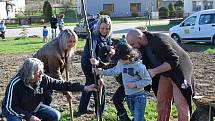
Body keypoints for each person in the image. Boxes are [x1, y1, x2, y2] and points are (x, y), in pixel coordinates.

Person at [126, 29, 194, 121]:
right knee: (162, 100)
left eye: (133, 44)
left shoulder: (158, 40)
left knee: (181, 103)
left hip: (179, 71)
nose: (133, 47)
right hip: (165, 72)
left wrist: (154, 71)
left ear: (139, 38)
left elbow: (174, 61)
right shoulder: (143, 46)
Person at [1, 58, 96, 121]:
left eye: (42, 71)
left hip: (33, 107)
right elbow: (10, 107)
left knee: (55, 115)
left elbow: (61, 84)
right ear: (30, 73)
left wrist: (84, 88)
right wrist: (29, 117)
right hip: (15, 111)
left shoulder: (43, 79)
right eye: (39, 72)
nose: (42, 75)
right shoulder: (15, 84)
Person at [91, 44, 152, 121]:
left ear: (128, 57)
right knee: (136, 116)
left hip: (139, 96)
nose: (118, 61)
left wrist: (135, 84)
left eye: (120, 59)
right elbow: (114, 71)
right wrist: (100, 72)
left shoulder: (139, 67)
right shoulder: (121, 64)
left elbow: (148, 80)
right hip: (129, 96)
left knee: (138, 118)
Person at [78, 16, 112, 115]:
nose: (105, 30)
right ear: (98, 27)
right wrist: (96, 68)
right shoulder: (93, 35)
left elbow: (108, 45)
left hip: (99, 63)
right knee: (99, 85)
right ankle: (100, 111)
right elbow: (92, 53)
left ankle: (82, 108)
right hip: (89, 63)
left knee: (90, 85)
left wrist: (110, 49)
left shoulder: (107, 35)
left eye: (107, 28)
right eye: (102, 28)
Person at [33, 29, 78, 105]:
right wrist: (66, 91)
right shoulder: (53, 53)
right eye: (70, 41)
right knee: (46, 97)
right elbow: (55, 75)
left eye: (74, 41)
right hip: (37, 74)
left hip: (47, 73)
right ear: (64, 41)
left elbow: (64, 60)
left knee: (47, 95)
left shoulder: (62, 45)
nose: (72, 44)